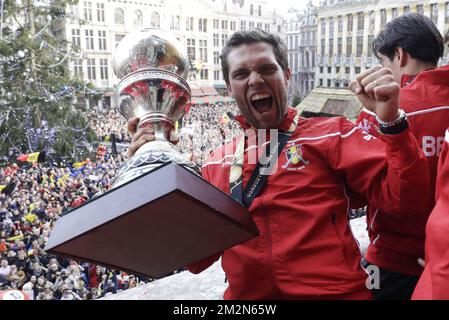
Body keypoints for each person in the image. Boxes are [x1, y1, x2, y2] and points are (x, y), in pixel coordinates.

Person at [127, 29, 430, 299]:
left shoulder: (332, 133)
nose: (256, 79)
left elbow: (407, 203)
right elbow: (195, 260)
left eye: (266, 69)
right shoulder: (217, 162)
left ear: (286, 75)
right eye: (241, 74)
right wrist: (157, 172)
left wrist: (391, 121)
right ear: (229, 88)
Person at [355, 13, 449, 300]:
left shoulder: (384, 109)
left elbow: (359, 188)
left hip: (392, 260)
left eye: (384, 65)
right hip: (441, 263)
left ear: (399, 54)